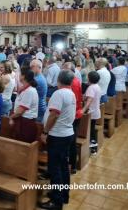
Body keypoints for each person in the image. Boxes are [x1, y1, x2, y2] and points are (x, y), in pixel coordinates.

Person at [39, 70, 76, 210]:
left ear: (59, 80)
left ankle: (56, 201)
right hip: (66, 133)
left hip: (58, 135)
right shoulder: (70, 93)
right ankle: (63, 194)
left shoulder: (59, 94)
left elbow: (54, 115)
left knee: (55, 169)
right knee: (63, 167)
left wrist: (45, 131)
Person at [62, 62, 83, 174]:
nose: (62, 71)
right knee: (71, 140)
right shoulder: (74, 80)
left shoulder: (73, 83)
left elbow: (71, 102)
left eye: (64, 70)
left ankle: (72, 165)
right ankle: (71, 164)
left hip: (73, 115)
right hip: (74, 113)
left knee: (71, 141)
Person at [9, 69, 38, 143]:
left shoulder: (29, 91)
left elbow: (20, 111)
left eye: (20, 74)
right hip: (21, 121)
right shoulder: (25, 88)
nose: (18, 75)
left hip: (26, 123)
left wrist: (11, 117)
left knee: (23, 144)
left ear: (23, 76)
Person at [83, 71, 101, 155]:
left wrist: (83, 110)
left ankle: (93, 148)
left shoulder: (91, 88)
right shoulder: (97, 86)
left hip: (91, 111)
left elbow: (89, 100)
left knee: (90, 130)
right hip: (96, 110)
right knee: (92, 129)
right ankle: (93, 148)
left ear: (90, 79)